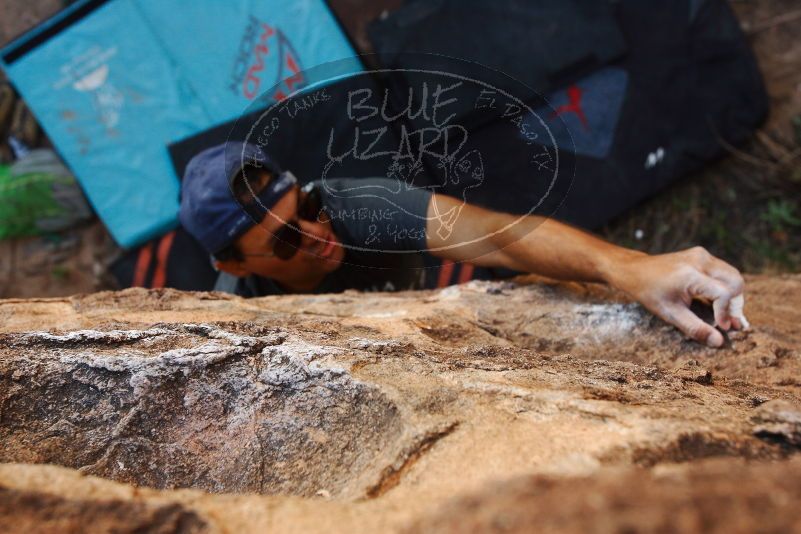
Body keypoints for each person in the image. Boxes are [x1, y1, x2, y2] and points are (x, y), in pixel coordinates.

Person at [180, 142, 749, 348]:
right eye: (285, 241)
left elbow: (494, 236)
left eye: (306, 209)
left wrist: (629, 267)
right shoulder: (242, 322)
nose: (318, 234)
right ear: (232, 263)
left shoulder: (353, 204)